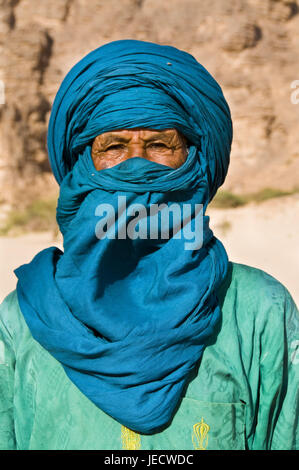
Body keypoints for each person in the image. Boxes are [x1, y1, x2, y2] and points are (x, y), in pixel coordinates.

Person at [0, 39, 298, 451]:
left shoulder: (259, 312)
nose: (137, 166)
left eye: (160, 145)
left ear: (195, 163)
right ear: (82, 166)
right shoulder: (22, 323)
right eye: (114, 147)